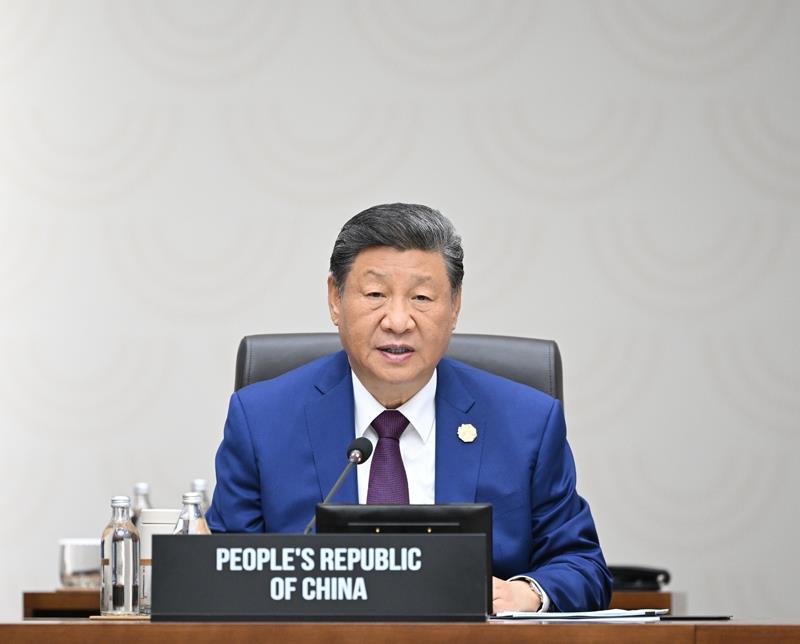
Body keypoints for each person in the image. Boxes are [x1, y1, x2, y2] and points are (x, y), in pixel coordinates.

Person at [206, 203, 611, 612]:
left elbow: (582, 565)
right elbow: (221, 570)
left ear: (454, 306)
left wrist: (526, 593)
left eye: (421, 297)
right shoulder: (261, 420)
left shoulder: (526, 424)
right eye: (375, 295)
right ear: (335, 299)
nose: (398, 321)